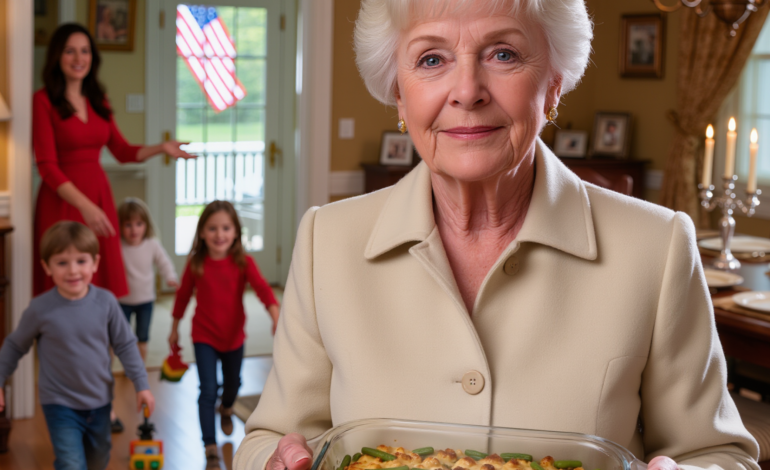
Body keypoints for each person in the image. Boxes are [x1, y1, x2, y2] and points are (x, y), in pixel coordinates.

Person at [234, 2, 759, 470]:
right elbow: (270, 436)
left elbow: (718, 455)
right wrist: (276, 462)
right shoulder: (327, 241)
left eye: (503, 54)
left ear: (553, 83)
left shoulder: (657, 245)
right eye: (431, 60)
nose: (466, 91)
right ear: (398, 92)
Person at [32, 23, 193, 299]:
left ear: (92, 57)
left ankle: (98, 342)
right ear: (57, 56)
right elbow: (46, 165)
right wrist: (86, 207)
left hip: (98, 196)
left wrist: (161, 147)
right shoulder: (43, 100)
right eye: (70, 51)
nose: (78, 58)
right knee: (63, 283)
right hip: (62, 201)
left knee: (98, 283)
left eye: (84, 51)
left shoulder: (98, 99)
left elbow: (121, 150)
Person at [0, 221, 154, 470]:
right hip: (59, 404)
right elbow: (15, 346)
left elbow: (125, 345)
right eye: (62, 262)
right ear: (46, 267)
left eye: (81, 261)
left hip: (100, 401)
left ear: (95, 262)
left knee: (98, 460)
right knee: (71, 463)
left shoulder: (106, 303)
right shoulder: (40, 309)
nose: (72, 270)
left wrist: (141, 385)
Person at [169, 200, 281, 469]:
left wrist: (276, 316)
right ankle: (209, 445)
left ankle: (228, 408)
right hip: (204, 336)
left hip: (233, 338)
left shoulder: (243, 262)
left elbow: (264, 289)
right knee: (207, 390)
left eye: (226, 228)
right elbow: (183, 296)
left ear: (236, 233)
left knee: (233, 385)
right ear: (202, 233)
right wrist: (173, 329)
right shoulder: (196, 263)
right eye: (212, 228)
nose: (219, 234)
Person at [117, 197, 179, 363]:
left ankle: (140, 367)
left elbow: (164, 262)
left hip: (146, 301)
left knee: (142, 338)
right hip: (122, 300)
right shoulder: (118, 246)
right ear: (120, 226)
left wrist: (170, 277)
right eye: (128, 225)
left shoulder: (152, 244)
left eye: (139, 224)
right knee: (121, 337)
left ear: (146, 225)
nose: (134, 229)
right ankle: (125, 364)